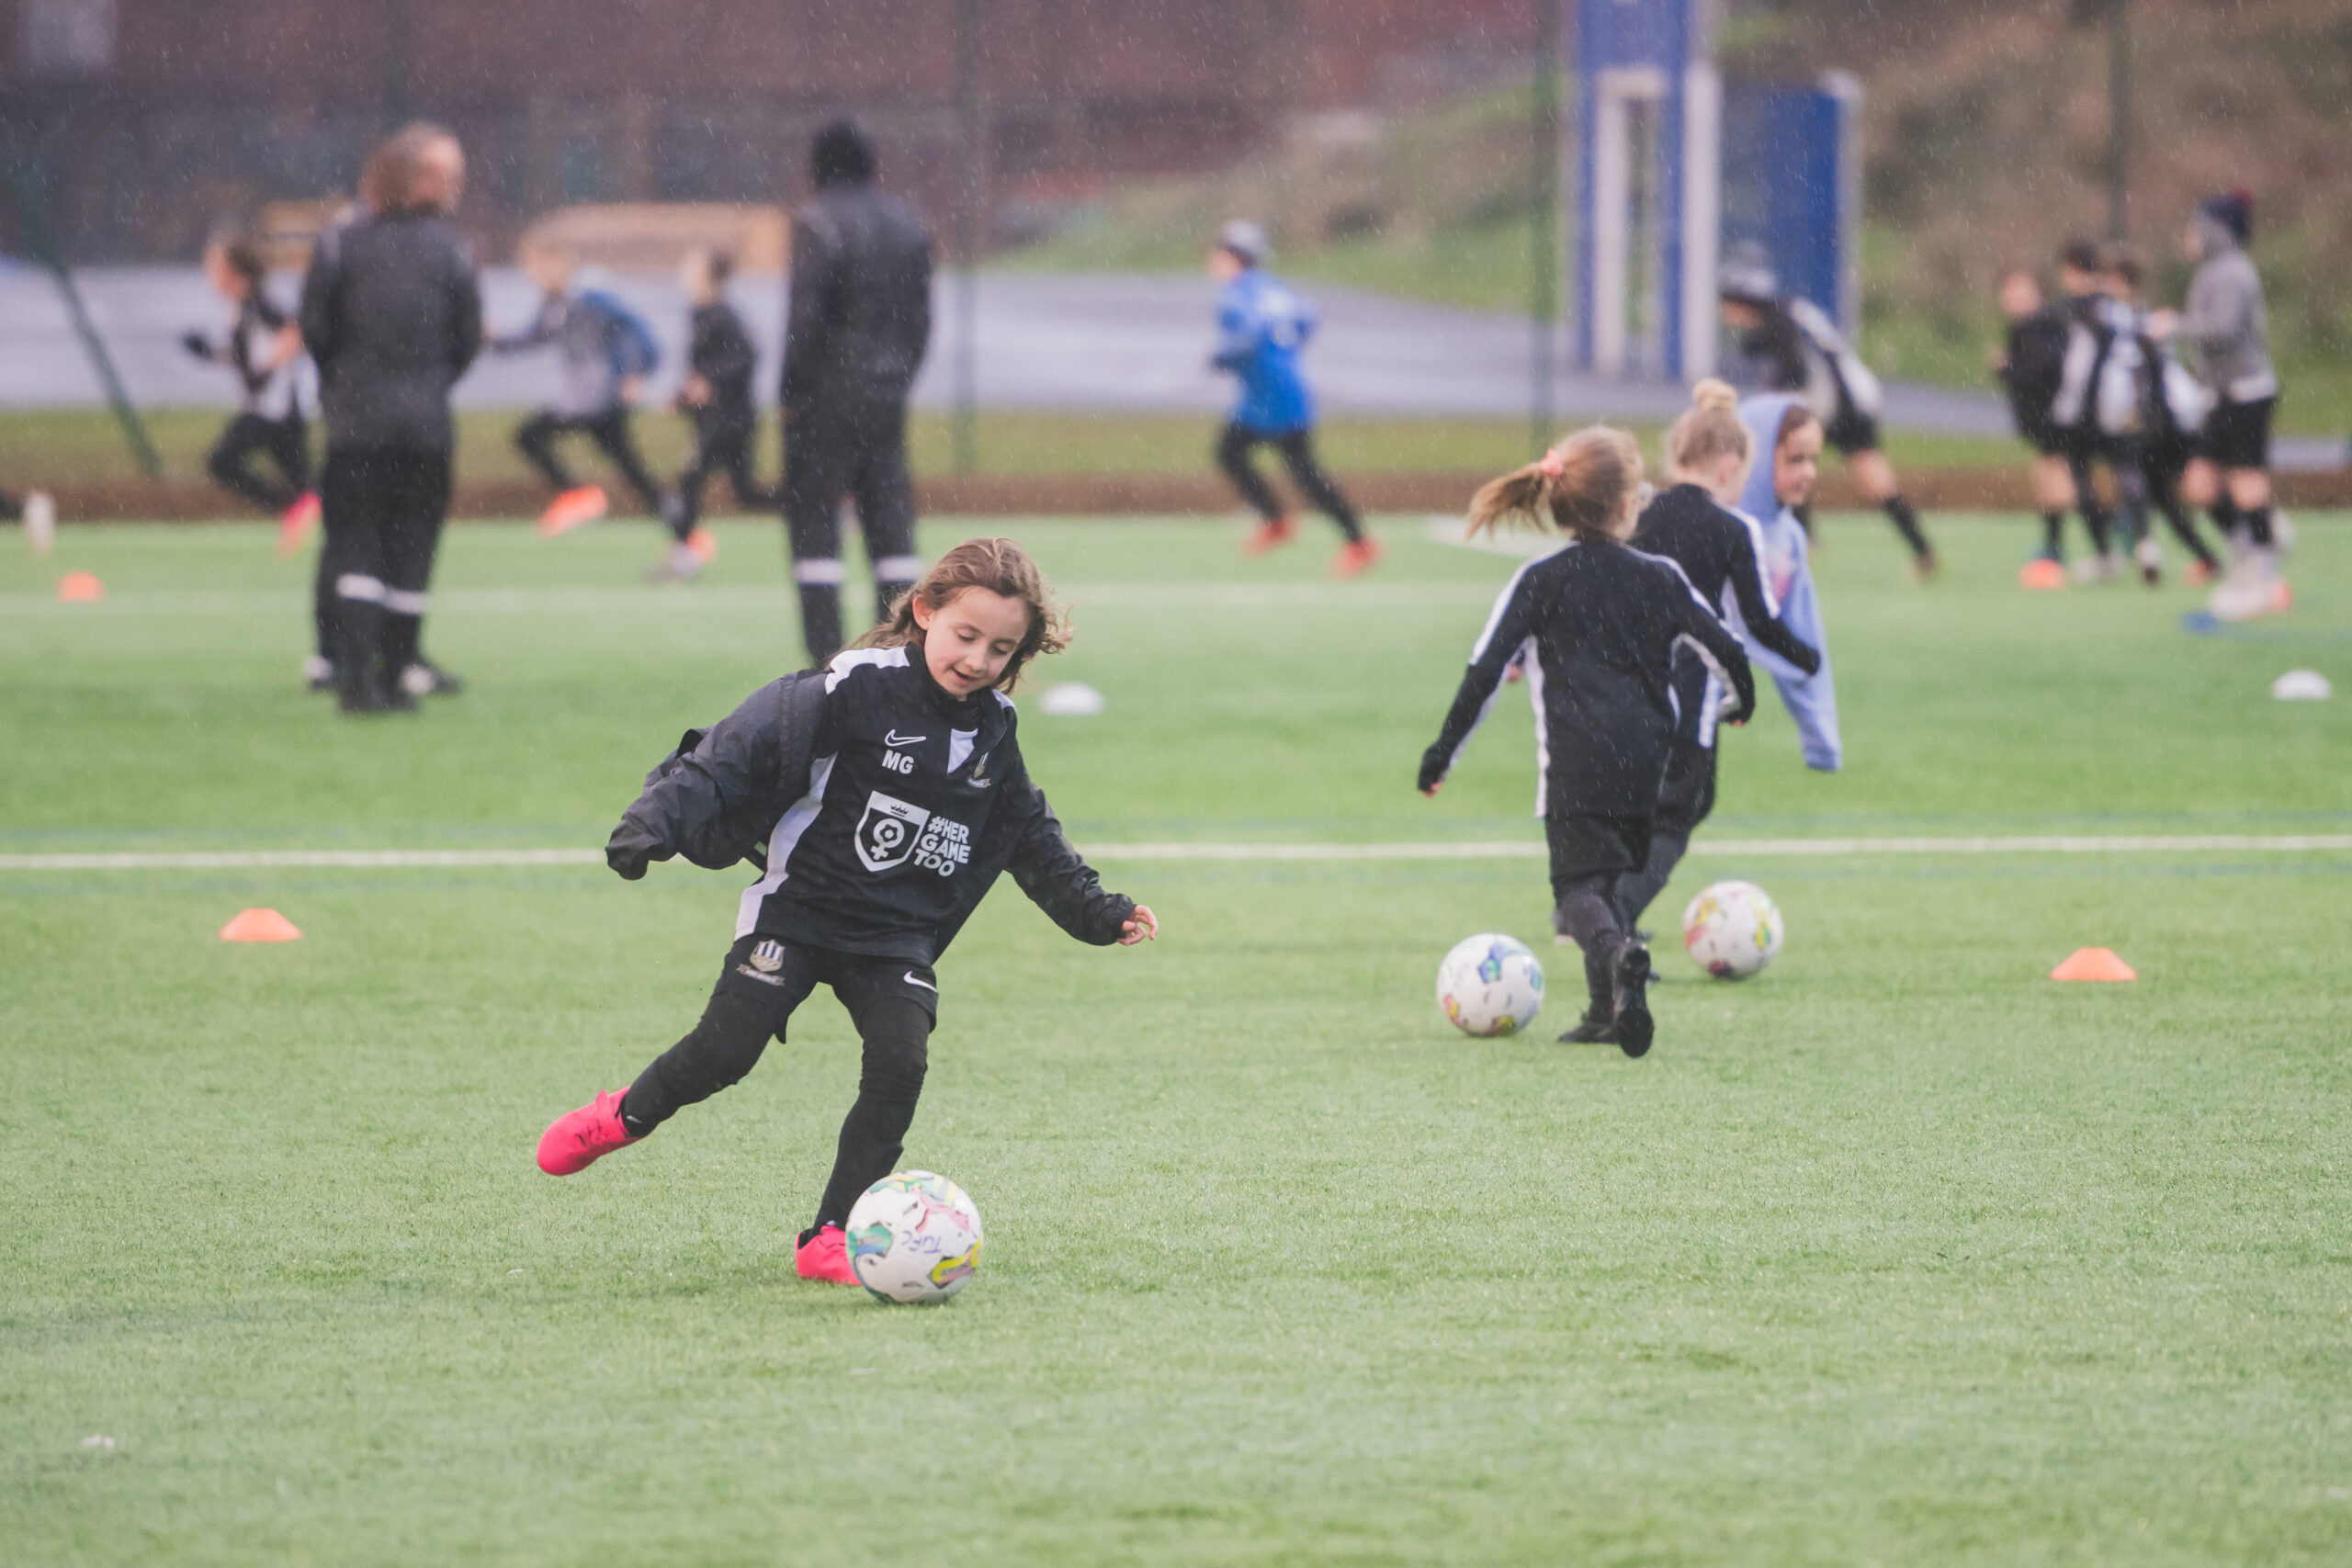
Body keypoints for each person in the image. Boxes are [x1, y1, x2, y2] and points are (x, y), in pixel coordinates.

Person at [534, 537, 1159, 1284]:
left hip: (895, 937)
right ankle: (626, 1113)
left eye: (1000, 648)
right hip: (797, 911)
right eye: (965, 636)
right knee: (726, 1051)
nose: (978, 660)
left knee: (900, 1063)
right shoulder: (855, 686)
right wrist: (656, 820)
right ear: (925, 612)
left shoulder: (995, 729)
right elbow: (740, 746)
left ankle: (831, 1234)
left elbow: (1028, 832)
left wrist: (1098, 910)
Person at [1417, 427, 1755, 1057]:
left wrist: (1443, 753)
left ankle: (1619, 955)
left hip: (1576, 761)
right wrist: (1743, 699)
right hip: (1649, 759)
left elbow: (1485, 671)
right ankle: (1606, 1009)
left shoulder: (1540, 579)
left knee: (1575, 891)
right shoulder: (1660, 575)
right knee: (1608, 882)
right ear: (1629, 504)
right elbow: (1726, 645)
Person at [1614, 381, 1822, 942]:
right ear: (1731, 466)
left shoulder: (1639, 514)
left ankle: (1591, 905)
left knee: (1642, 801)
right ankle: (1615, 914)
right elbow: (1758, 622)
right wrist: (1806, 655)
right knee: (1681, 811)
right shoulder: (1734, 529)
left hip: (1620, 684)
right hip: (1688, 686)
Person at [299, 122, 481, 713]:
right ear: (415, 179)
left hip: (355, 427)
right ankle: (402, 672)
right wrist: (426, 384)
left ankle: (358, 681)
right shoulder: (452, 250)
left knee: (355, 546)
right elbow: (467, 339)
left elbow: (316, 330)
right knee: (413, 548)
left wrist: (352, 386)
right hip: (426, 427)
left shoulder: (339, 245)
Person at [779, 118, 933, 666]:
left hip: (825, 399)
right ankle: (896, 656)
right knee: (892, 531)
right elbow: (921, 322)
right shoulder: (908, 224)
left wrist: (791, 392)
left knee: (815, 534)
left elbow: (806, 319)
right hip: (887, 397)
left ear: (818, 168)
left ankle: (827, 663)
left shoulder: (817, 223)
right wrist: (897, 381)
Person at [1717, 242, 1937, 578]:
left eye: (1727, 302)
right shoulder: (1784, 311)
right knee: (1862, 475)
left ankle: (1804, 543)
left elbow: (1797, 370)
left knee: (1791, 460)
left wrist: (1778, 401)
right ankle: (1921, 551)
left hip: (1841, 403)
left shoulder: (1776, 323)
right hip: (1852, 397)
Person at [1207, 220, 1378, 579]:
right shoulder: (1271, 287)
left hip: (1274, 401)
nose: (1213, 260)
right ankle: (1278, 521)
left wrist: (1223, 358)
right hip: (1276, 395)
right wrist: (1284, 352)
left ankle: (1357, 542)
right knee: (1231, 452)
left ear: (1233, 258)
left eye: (1219, 252)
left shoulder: (1235, 295)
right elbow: (1307, 318)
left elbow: (1249, 336)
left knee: (1304, 474)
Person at [2152, 189, 2287, 619]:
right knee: (2199, 484)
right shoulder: (2212, 271)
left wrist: (2175, 325)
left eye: (2195, 227)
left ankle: (2264, 570)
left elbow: (2223, 330)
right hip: (2221, 396)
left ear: (2214, 231)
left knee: (2248, 483)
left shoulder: (2230, 272)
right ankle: (2247, 553)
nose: (2188, 235)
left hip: (2245, 394)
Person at [487, 242, 665, 540]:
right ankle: (685, 533)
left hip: (597, 397)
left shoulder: (589, 296)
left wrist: (637, 372)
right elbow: (534, 337)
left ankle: (579, 495)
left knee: (528, 436)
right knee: (632, 470)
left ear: (559, 263)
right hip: (586, 400)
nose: (535, 277)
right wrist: (494, 340)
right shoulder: (555, 303)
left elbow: (637, 329)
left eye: (539, 268)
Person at [183, 235, 319, 555]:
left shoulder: (259, 305)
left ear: (234, 272)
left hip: (273, 410)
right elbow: (248, 354)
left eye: (215, 269)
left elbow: (294, 332)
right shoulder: (245, 309)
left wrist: (267, 371)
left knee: (222, 462)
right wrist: (210, 354)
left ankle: (296, 510)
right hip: (276, 411)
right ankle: (310, 514)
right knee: (305, 486)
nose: (211, 278)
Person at [1736, 394, 1843, 773]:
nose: (1810, 472)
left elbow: (1802, 628)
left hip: (1712, 708)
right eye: (1796, 459)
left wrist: (1821, 735)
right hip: (1667, 704)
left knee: (1692, 794)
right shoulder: (1716, 528)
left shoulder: (1789, 537)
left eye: (1814, 459)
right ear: (1757, 456)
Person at [654, 245, 769, 582]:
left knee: (690, 479)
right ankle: (824, 501)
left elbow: (746, 356)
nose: (684, 274)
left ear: (707, 275)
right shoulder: (700, 312)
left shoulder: (721, 313)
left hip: (731, 418)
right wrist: (681, 397)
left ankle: (684, 557)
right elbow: (703, 369)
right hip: (716, 417)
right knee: (747, 494)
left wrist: (709, 382)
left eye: (691, 268)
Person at [2108, 249, 2220, 586]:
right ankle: (2206, 557)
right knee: (2165, 497)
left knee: (2144, 485)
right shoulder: (2149, 319)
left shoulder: (2123, 323)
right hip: (2166, 421)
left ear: (2121, 282)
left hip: (2146, 422)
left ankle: (2150, 550)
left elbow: (2137, 374)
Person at [1992, 265, 2084, 586]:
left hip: (2056, 418)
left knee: (2057, 480)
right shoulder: (2034, 324)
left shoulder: (2039, 324)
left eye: (2022, 290)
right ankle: (2054, 551)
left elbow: (2043, 369)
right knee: (2051, 478)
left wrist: (2007, 368)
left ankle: (2055, 556)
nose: (2014, 297)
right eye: (2010, 291)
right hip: (2050, 419)